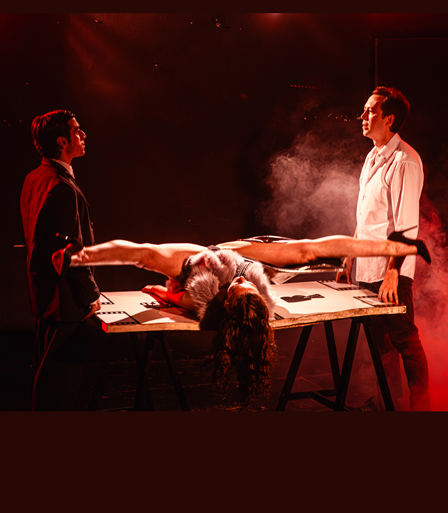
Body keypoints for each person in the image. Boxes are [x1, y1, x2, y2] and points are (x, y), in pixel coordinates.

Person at [55, 232, 430, 408]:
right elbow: (321, 247)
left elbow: (144, 261)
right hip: (251, 258)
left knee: (151, 258)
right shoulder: (253, 287)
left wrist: (162, 295)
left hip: (202, 265)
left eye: (235, 289)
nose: (238, 283)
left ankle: (77, 258)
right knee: (309, 252)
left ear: (227, 301)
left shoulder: (205, 294)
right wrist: (398, 247)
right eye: (243, 287)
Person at [337, 86, 430, 411]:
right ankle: (389, 403)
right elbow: (367, 217)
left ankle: (422, 407)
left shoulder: (405, 161)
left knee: (405, 340)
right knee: (381, 344)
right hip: (367, 266)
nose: (362, 116)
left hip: (392, 272)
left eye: (370, 111)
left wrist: (392, 274)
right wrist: (349, 256)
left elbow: (406, 226)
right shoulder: (373, 156)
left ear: (389, 119)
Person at [20, 110, 101, 410]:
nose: (83, 135)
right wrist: (90, 294)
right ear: (61, 141)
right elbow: (69, 253)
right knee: (60, 387)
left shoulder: (34, 178)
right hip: (65, 303)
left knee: (46, 377)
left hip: (44, 297)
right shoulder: (61, 186)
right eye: (76, 130)